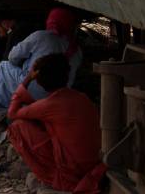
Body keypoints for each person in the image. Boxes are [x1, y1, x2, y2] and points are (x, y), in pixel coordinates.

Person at [8, 54, 105, 193]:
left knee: (17, 126)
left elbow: (12, 113)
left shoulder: (50, 104)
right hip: (93, 162)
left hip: (75, 171)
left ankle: (52, 177)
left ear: (40, 80)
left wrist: (28, 79)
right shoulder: (81, 97)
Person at [0, 8, 83, 108]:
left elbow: (12, 56)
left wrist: (23, 65)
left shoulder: (41, 36)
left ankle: (1, 107)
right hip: (56, 97)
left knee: (3, 65)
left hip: (32, 88)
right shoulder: (76, 51)